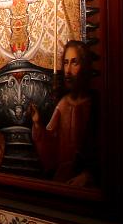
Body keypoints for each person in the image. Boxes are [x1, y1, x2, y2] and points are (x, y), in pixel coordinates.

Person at [30, 40, 96, 186]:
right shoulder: (63, 104)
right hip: (62, 180)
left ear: (84, 66)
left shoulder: (95, 104)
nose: (68, 70)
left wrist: (88, 175)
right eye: (66, 63)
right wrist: (37, 123)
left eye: (74, 63)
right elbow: (49, 145)